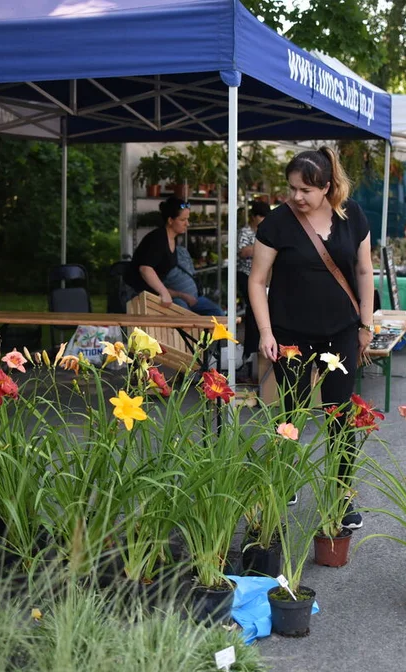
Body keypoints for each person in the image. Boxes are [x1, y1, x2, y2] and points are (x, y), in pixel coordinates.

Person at [248, 147, 376, 529]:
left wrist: (365, 326)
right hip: (290, 336)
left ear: (327, 187)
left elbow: (365, 272)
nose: (296, 197)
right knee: (291, 415)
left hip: (341, 333)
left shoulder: (352, 217)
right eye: (291, 188)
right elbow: (257, 281)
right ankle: (285, 479)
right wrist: (266, 333)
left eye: (305, 190)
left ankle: (342, 495)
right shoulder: (276, 223)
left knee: (340, 417)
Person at [125, 196, 222, 316]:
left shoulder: (172, 239)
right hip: (142, 296)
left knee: (217, 313)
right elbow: (145, 269)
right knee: (185, 316)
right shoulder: (158, 239)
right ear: (170, 221)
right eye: (183, 220)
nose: (187, 223)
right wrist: (164, 293)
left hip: (163, 294)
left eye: (188, 219)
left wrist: (181, 294)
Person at [236, 200, 271, 376]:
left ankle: (254, 350)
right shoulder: (246, 232)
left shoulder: (264, 230)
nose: (264, 220)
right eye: (261, 216)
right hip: (245, 275)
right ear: (254, 217)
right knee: (253, 311)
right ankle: (249, 352)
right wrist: (262, 247)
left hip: (261, 278)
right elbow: (242, 251)